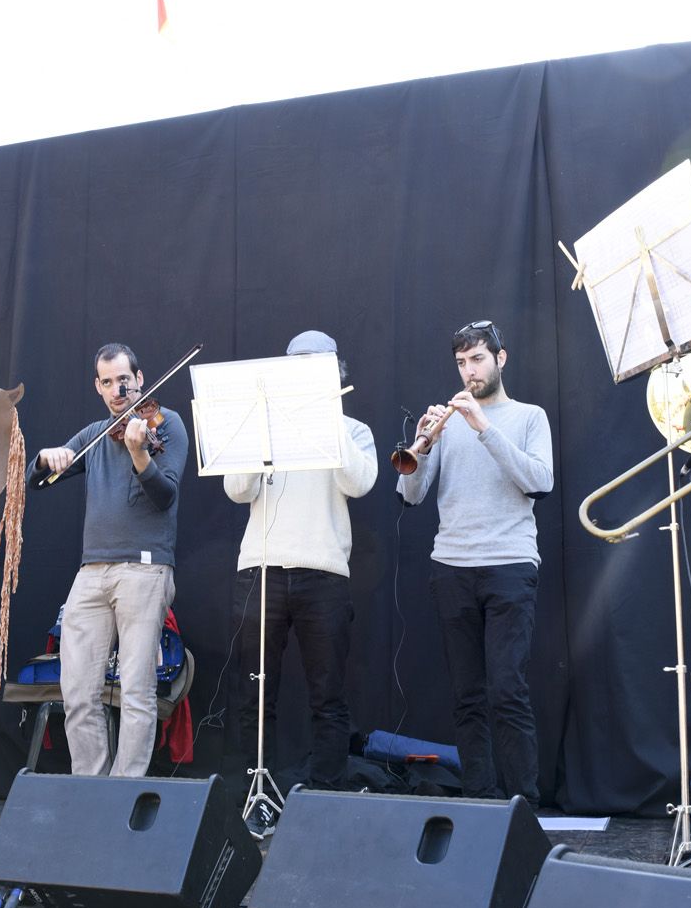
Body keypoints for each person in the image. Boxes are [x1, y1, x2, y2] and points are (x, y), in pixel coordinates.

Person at [396, 320, 553, 807]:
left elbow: (538, 481)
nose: (469, 372)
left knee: (507, 691)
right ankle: (479, 805)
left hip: (509, 565)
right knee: (467, 696)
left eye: (478, 359)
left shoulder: (530, 417)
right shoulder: (446, 423)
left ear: (500, 359)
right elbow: (411, 494)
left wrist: (483, 428)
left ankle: (523, 806)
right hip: (452, 567)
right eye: (462, 363)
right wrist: (423, 446)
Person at [224, 331, 377, 824]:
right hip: (261, 569)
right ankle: (254, 798)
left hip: (324, 571)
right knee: (254, 693)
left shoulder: (351, 429)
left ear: (336, 374)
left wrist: (326, 420)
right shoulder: (263, 424)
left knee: (327, 694)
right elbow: (236, 488)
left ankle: (326, 801)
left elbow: (360, 481)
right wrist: (259, 431)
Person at [30, 343, 188, 777]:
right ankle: (90, 788)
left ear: (139, 379)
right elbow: (39, 481)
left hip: (145, 568)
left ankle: (124, 790)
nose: (118, 388)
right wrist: (46, 458)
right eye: (107, 381)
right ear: (98, 388)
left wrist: (140, 454)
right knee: (78, 689)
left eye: (124, 379)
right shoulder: (94, 434)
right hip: (91, 572)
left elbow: (165, 495)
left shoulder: (165, 423)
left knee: (136, 689)